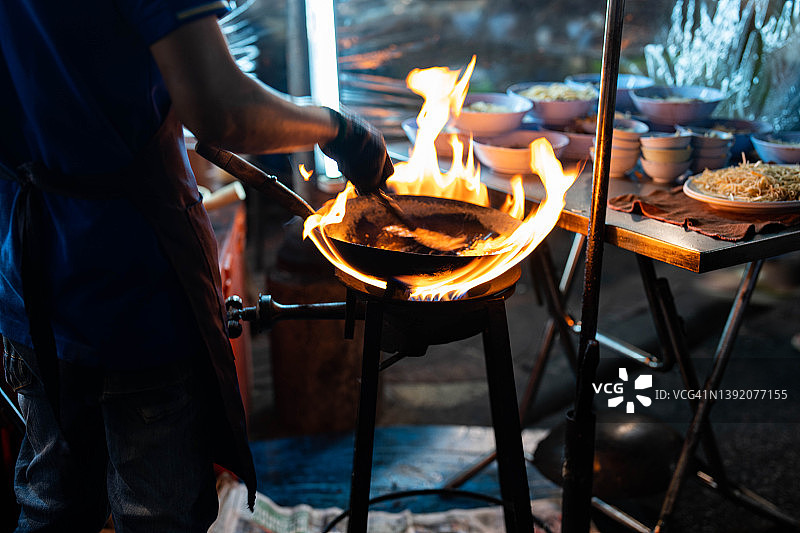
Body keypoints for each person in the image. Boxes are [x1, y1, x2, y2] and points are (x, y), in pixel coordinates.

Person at [0, 1, 392, 531]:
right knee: (159, 515)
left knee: (54, 503)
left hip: (27, 273)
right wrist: (341, 131)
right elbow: (220, 108)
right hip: (131, 284)